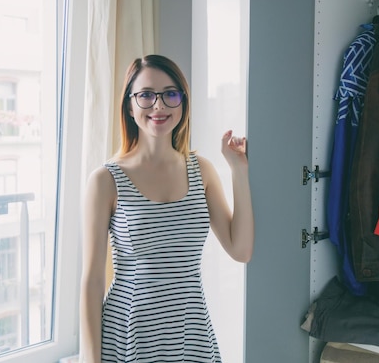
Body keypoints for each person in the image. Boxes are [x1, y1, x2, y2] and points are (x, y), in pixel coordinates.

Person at [80, 54, 254, 363]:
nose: (158, 106)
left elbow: (240, 250)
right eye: (146, 95)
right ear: (129, 106)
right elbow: (92, 281)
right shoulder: (106, 180)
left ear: (183, 103)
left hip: (191, 333)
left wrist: (238, 170)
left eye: (170, 94)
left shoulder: (203, 170)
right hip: (128, 334)